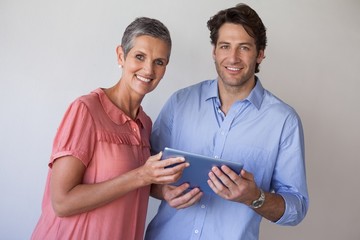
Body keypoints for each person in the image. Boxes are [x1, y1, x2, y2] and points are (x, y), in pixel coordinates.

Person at [145, 4, 309, 240]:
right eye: (225, 46)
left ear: (260, 53)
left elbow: (297, 208)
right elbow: (144, 172)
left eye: (244, 47)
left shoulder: (284, 121)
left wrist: (255, 197)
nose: (233, 58)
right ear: (214, 51)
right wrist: (163, 190)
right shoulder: (180, 102)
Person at [31, 17, 189, 240]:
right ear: (121, 56)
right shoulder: (86, 110)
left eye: (159, 62)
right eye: (139, 57)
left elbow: (130, 182)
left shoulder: (145, 122)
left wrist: (165, 192)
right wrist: (142, 175)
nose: (149, 69)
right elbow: (62, 202)